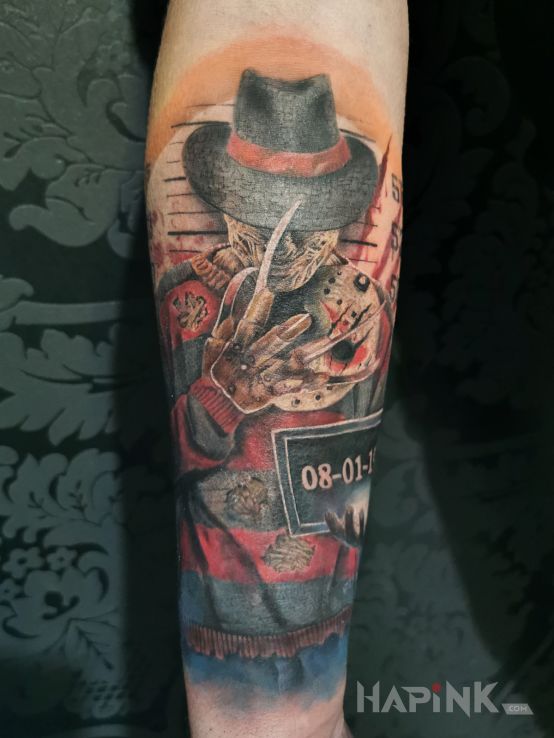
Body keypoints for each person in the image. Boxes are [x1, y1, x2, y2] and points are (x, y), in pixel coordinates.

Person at [146, 2, 408, 736]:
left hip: (317, 626)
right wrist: (220, 398)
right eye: (260, 212)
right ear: (226, 208)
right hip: (230, 636)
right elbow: (188, 448)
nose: (283, 244)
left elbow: (346, 471)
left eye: (306, 217)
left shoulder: (359, 307)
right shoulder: (192, 298)